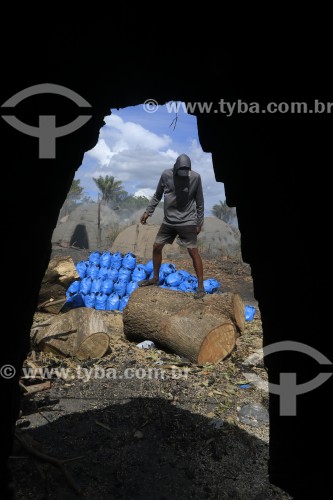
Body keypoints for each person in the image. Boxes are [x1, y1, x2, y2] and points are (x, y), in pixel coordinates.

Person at [138, 153, 205, 299]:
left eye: (185, 171)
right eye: (180, 171)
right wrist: (147, 212)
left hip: (187, 221)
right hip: (169, 221)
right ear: (175, 168)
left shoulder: (195, 177)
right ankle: (155, 278)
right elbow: (157, 195)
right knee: (156, 246)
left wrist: (199, 223)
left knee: (193, 251)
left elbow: (199, 202)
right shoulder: (166, 175)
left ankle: (200, 287)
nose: (183, 174)